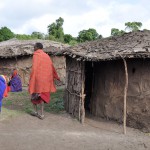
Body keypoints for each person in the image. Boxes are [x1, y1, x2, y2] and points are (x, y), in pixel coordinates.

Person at [28, 42, 60, 119]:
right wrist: (55, 76)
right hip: (46, 80)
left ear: (37, 47)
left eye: (34, 46)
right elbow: (51, 67)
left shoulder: (36, 55)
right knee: (42, 96)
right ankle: (42, 114)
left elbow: (35, 67)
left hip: (38, 79)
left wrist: (32, 77)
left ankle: (35, 112)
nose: (33, 48)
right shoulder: (47, 56)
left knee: (34, 94)